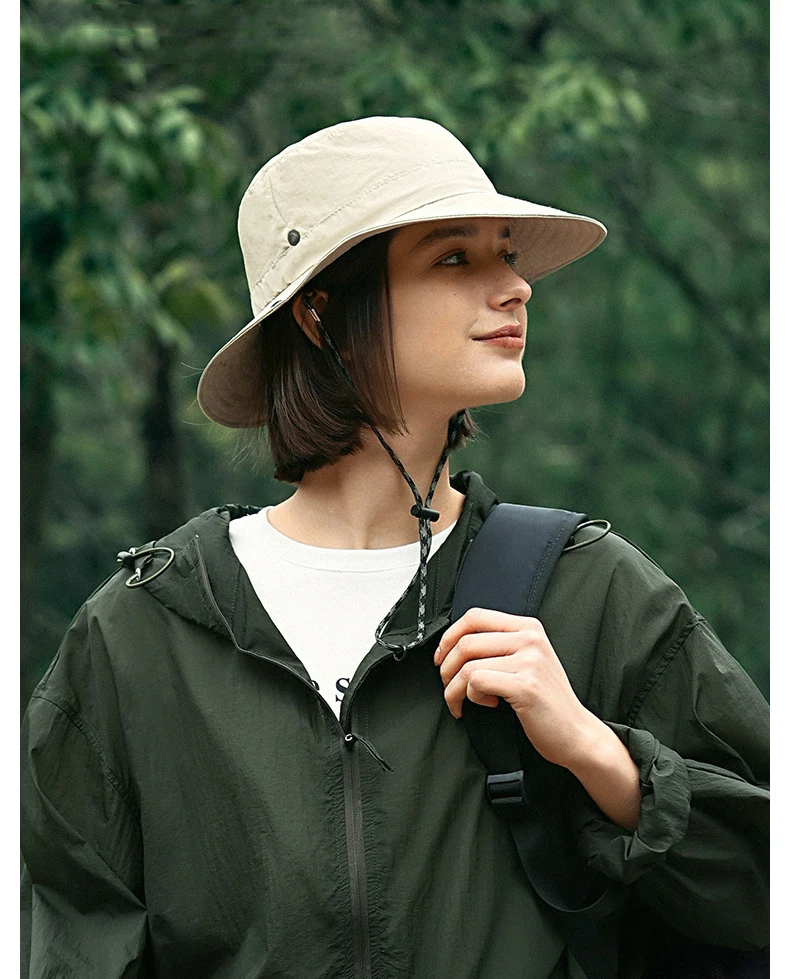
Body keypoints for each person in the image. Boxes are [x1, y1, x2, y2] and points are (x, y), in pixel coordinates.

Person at [20, 116, 768, 979]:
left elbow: (761, 884)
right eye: (454, 258)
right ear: (320, 313)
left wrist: (601, 755)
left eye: (507, 256)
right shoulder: (141, 637)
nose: (515, 288)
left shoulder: (591, 591)